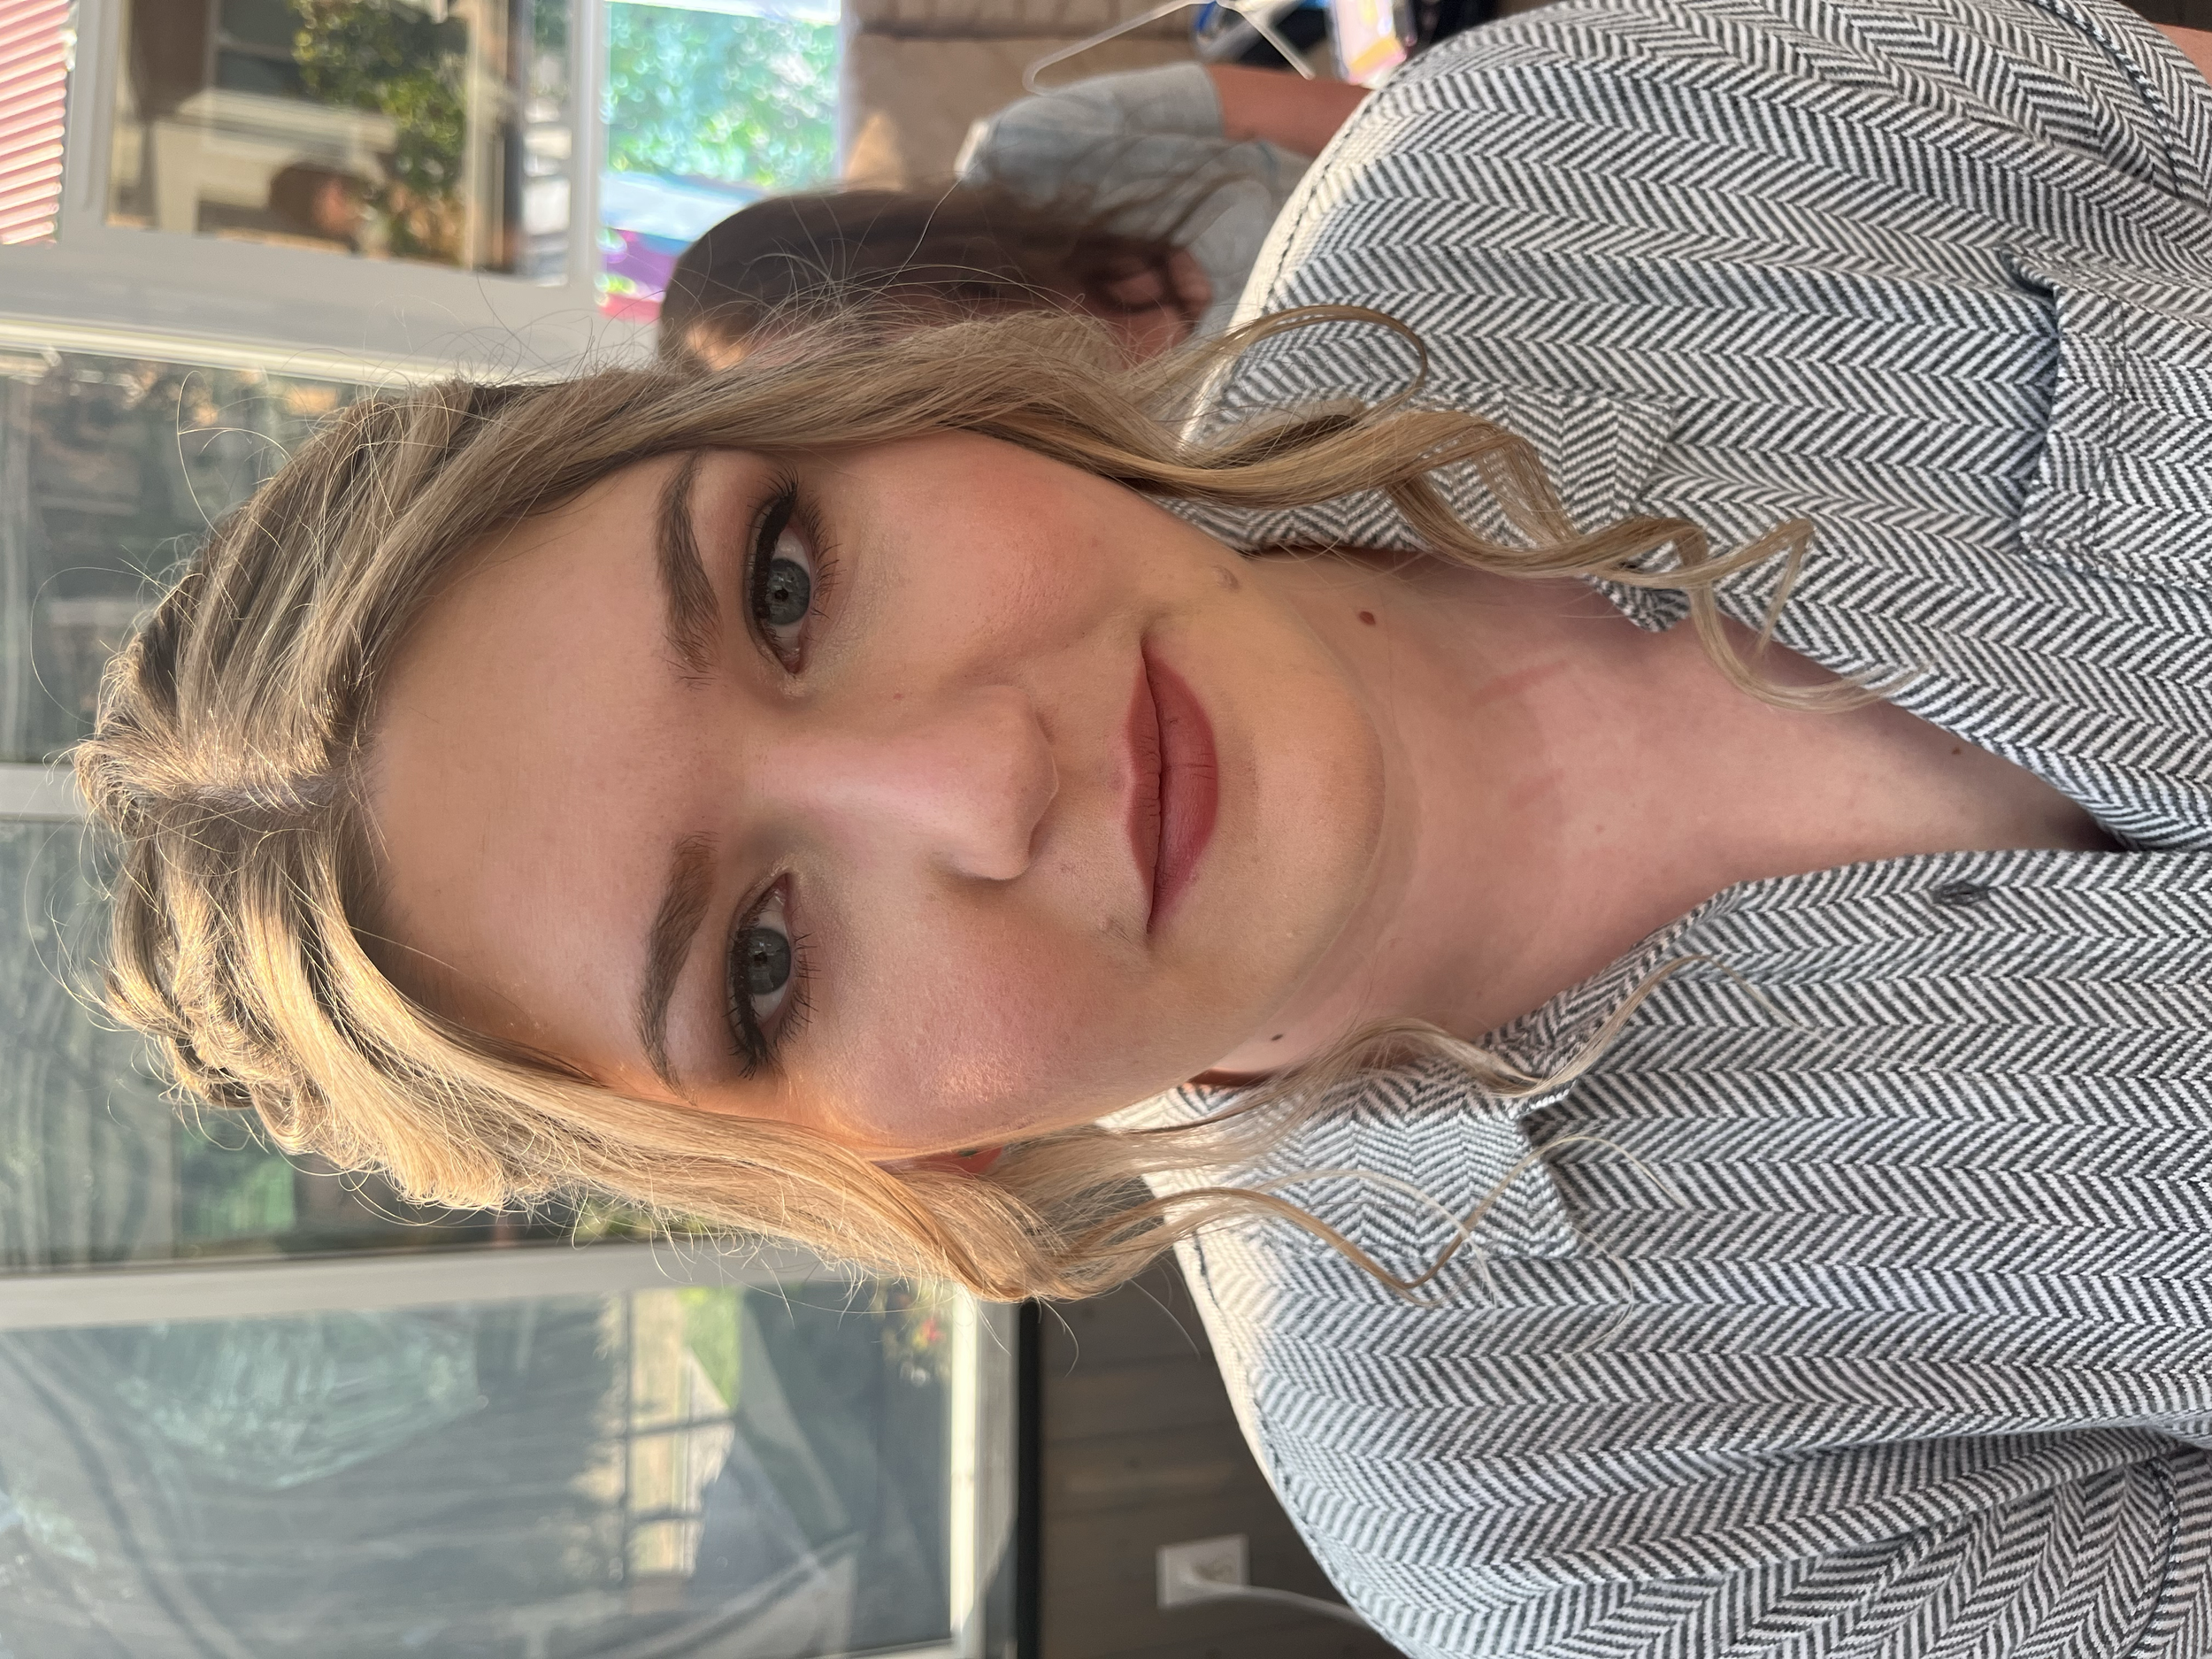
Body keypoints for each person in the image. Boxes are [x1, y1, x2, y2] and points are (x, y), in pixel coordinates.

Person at [74, 0, 2212, 1650]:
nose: (979, 778)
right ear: (874, 1161)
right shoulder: (1537, 1507)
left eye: (787, 583)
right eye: (764, 960)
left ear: (863, 413)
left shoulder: (1560, 150)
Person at [661, 64, 1368, 366]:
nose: (890, 372)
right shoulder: (1085, 477)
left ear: (864, 253)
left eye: (860, 336)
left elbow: (1360, 115)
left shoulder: (1034, 145)